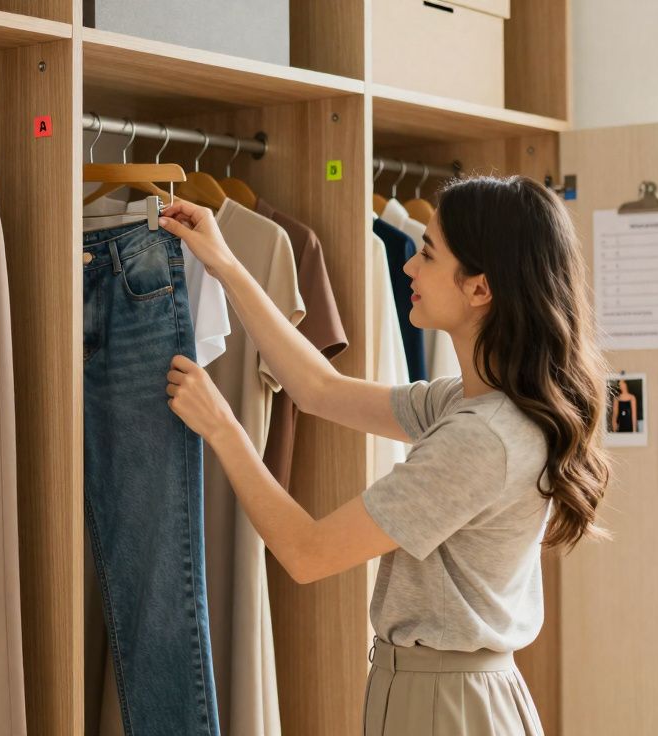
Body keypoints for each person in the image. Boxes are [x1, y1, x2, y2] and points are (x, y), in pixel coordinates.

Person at [158, 175, 610, 735]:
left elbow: (308, 553)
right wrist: (225, 264)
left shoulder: (482, 438)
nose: (408, 269)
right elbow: (318, 389)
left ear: (479, 288)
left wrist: (223, 427)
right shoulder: (475, 405)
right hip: (446, 694)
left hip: (446, 705)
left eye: (426, 254)